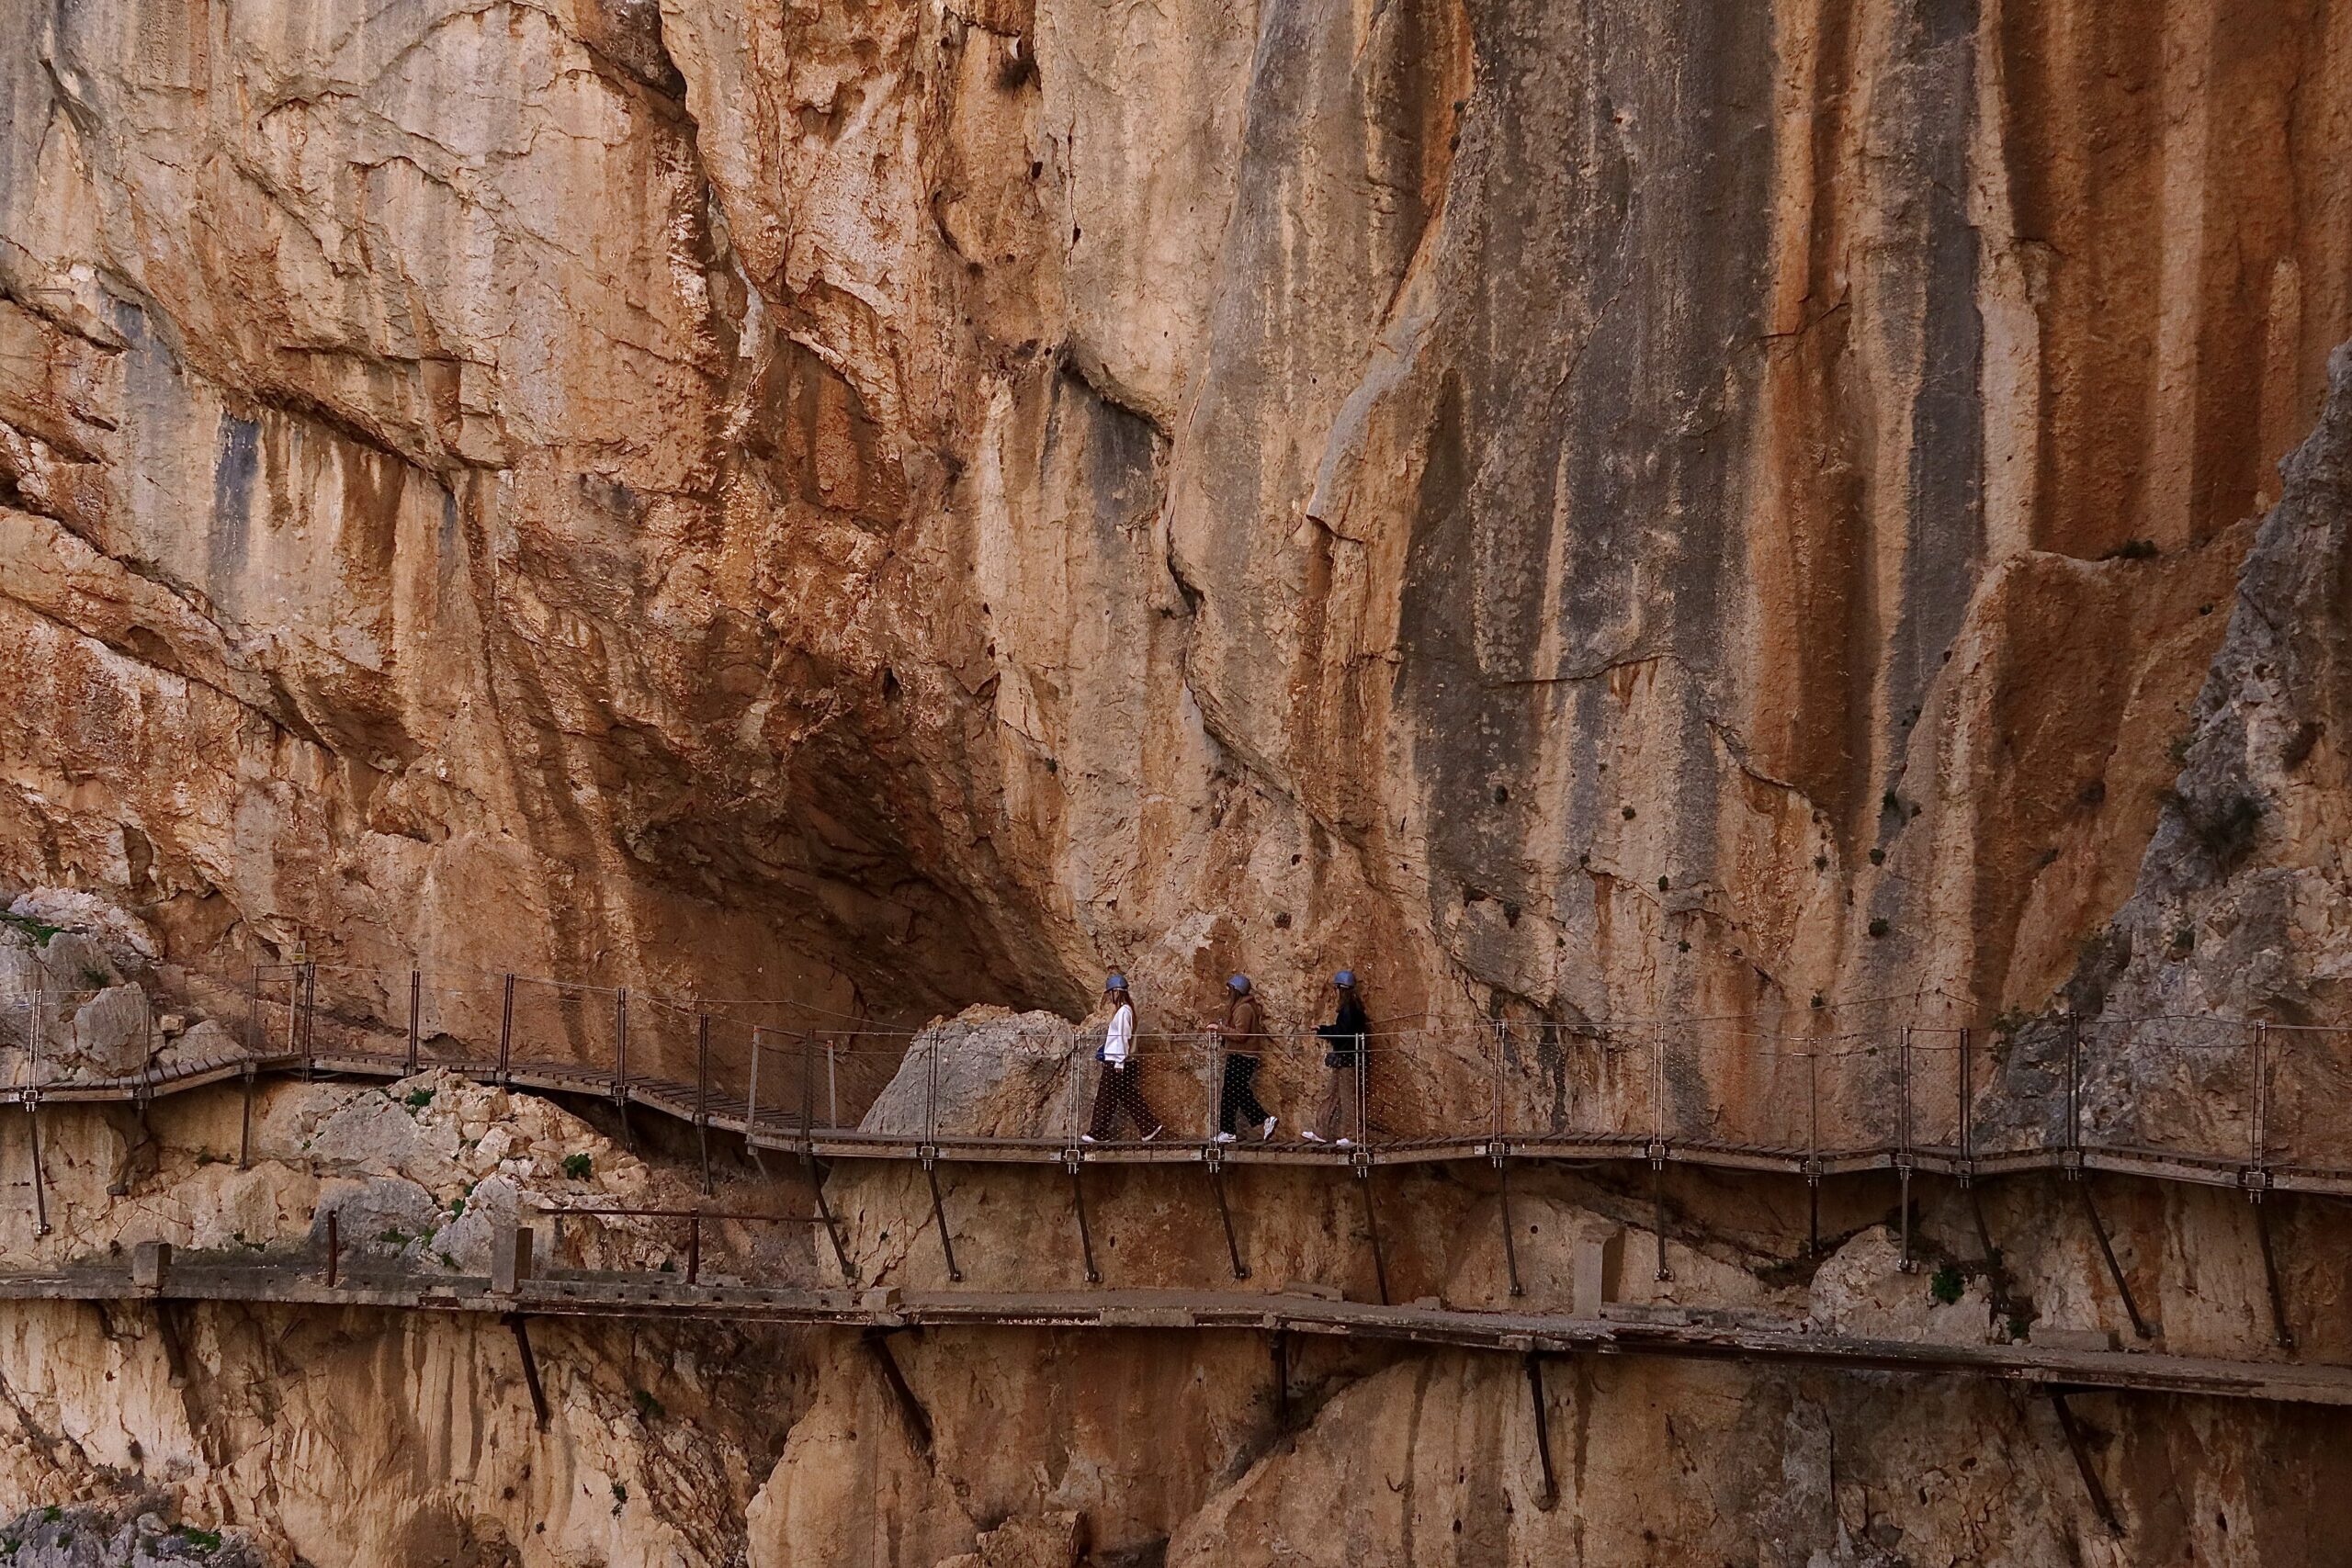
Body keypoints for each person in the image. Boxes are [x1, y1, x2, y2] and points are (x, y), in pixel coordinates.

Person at [1083, 974, 1164, 1143]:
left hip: (1116, 1061)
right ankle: (1149, 1127)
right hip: (1119, 1060)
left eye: (1110, 993)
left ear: (1116, 992)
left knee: (1105, 1097)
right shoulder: (1126, 1011)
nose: (1110, 997)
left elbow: (1122, 1037)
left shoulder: (1123, 1012)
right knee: (1126, 1094)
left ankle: (1099, 1132)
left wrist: (1119, 1062)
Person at [1304, 969, 1371, 1145]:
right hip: (1347, 1059)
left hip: (1348, 1060)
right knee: (1331, 1094)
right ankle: (1321, 1132)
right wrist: (1325, 1030)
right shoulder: (1354, 1008)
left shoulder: (1348, 1010)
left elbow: (1342, 1033)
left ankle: (1353, 1136)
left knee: (1347, 1098)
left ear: (1341, 989)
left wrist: (1323, 1030)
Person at [1211, 974, 1277, 1142]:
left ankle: (1262, 1119)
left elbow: (1241, 1035)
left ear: (1236, 991)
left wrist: (1219, 1029)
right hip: (1240, 1055)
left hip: (1243, 1055)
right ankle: (1229, 1130)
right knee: (1233, 1092)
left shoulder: (1244, 1009)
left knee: (1236, 1091)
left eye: (1230, 989)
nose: (1228, 992)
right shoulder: (1243, 1007)